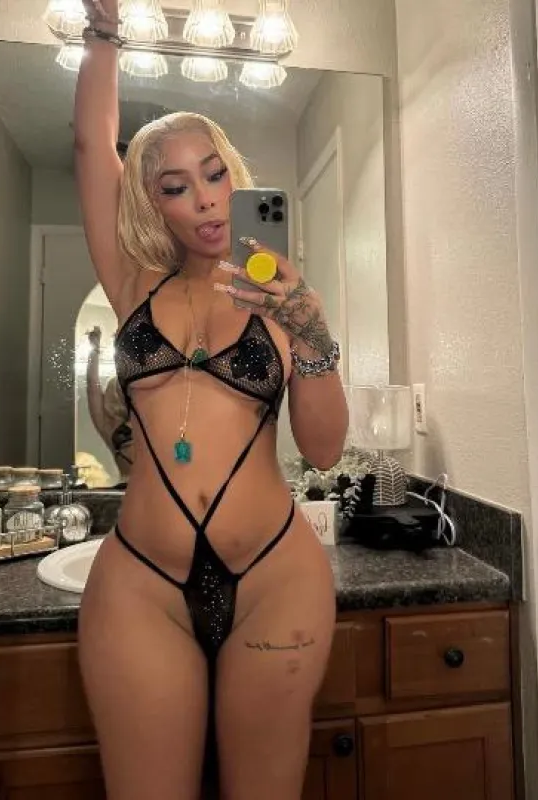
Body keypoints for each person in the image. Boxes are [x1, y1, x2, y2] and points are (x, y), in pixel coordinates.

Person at [75, 2, 348, 798]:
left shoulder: (280, 297)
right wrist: (102, 33)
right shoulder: (133, 285)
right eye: (175, 185)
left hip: (274, 577)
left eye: (214, 174)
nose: (202, 198)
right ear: (150, 202)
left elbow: (323, 449)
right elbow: (92, 146)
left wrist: (310, 330)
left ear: (234, 175)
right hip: (140, 583)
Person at [85, 325, 133, 487]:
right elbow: (92, 386)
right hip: (136, 490)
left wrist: (95, 349)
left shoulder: (110, 427)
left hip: (127, 490)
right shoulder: (110, 425)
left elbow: (92, 386)